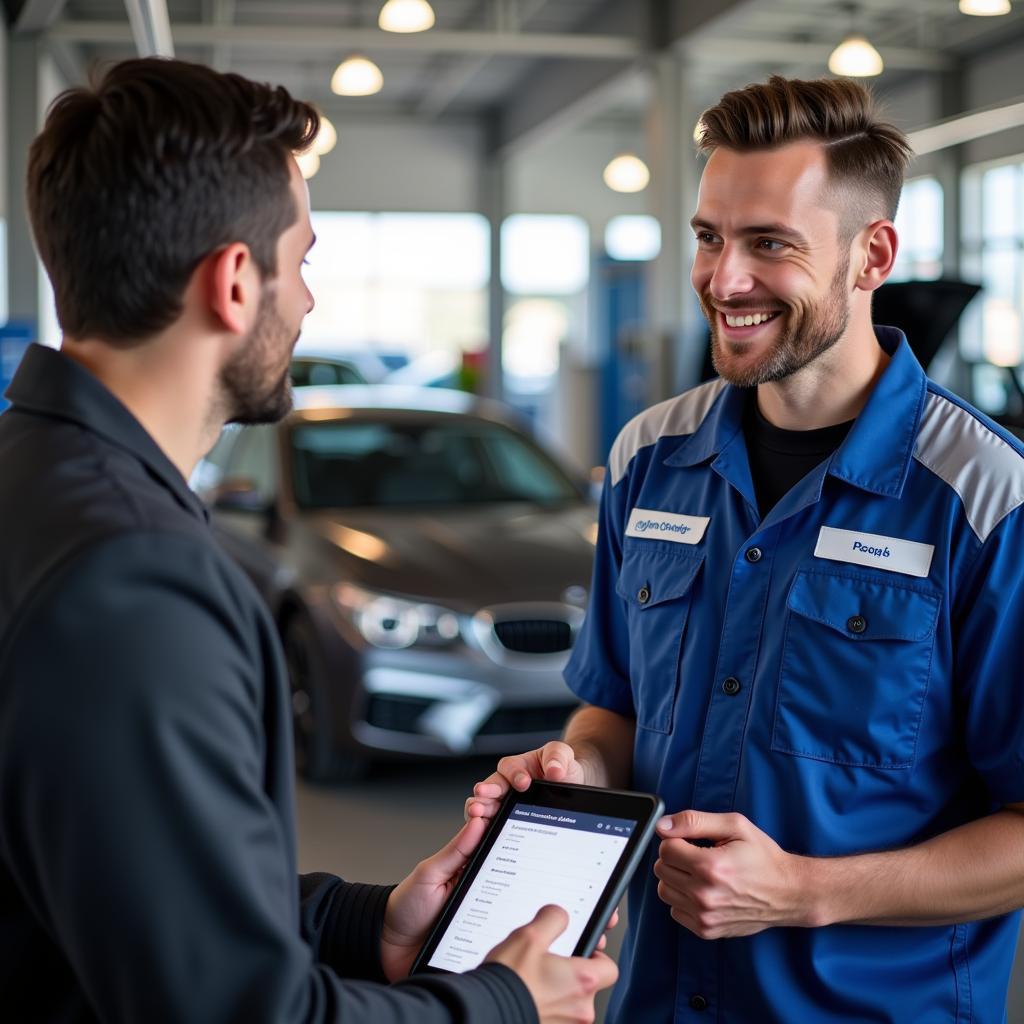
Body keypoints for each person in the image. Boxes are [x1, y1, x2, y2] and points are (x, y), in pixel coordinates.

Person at [0, 57, 617, 1024]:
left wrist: (357, 923)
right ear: (236, 283)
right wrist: (504, 1006)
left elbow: (121, 893)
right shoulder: (132, 575)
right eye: (304, 260)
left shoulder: (35, 482)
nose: (311, 301)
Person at [468, 75, 1024, 1022]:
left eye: (770, 243)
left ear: (870, 254)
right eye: (709, 237)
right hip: (658, 998)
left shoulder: (984, 499)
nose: (725, 279)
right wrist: (574, 775)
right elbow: (611, 713)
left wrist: (806, 892)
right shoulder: (649, 460)